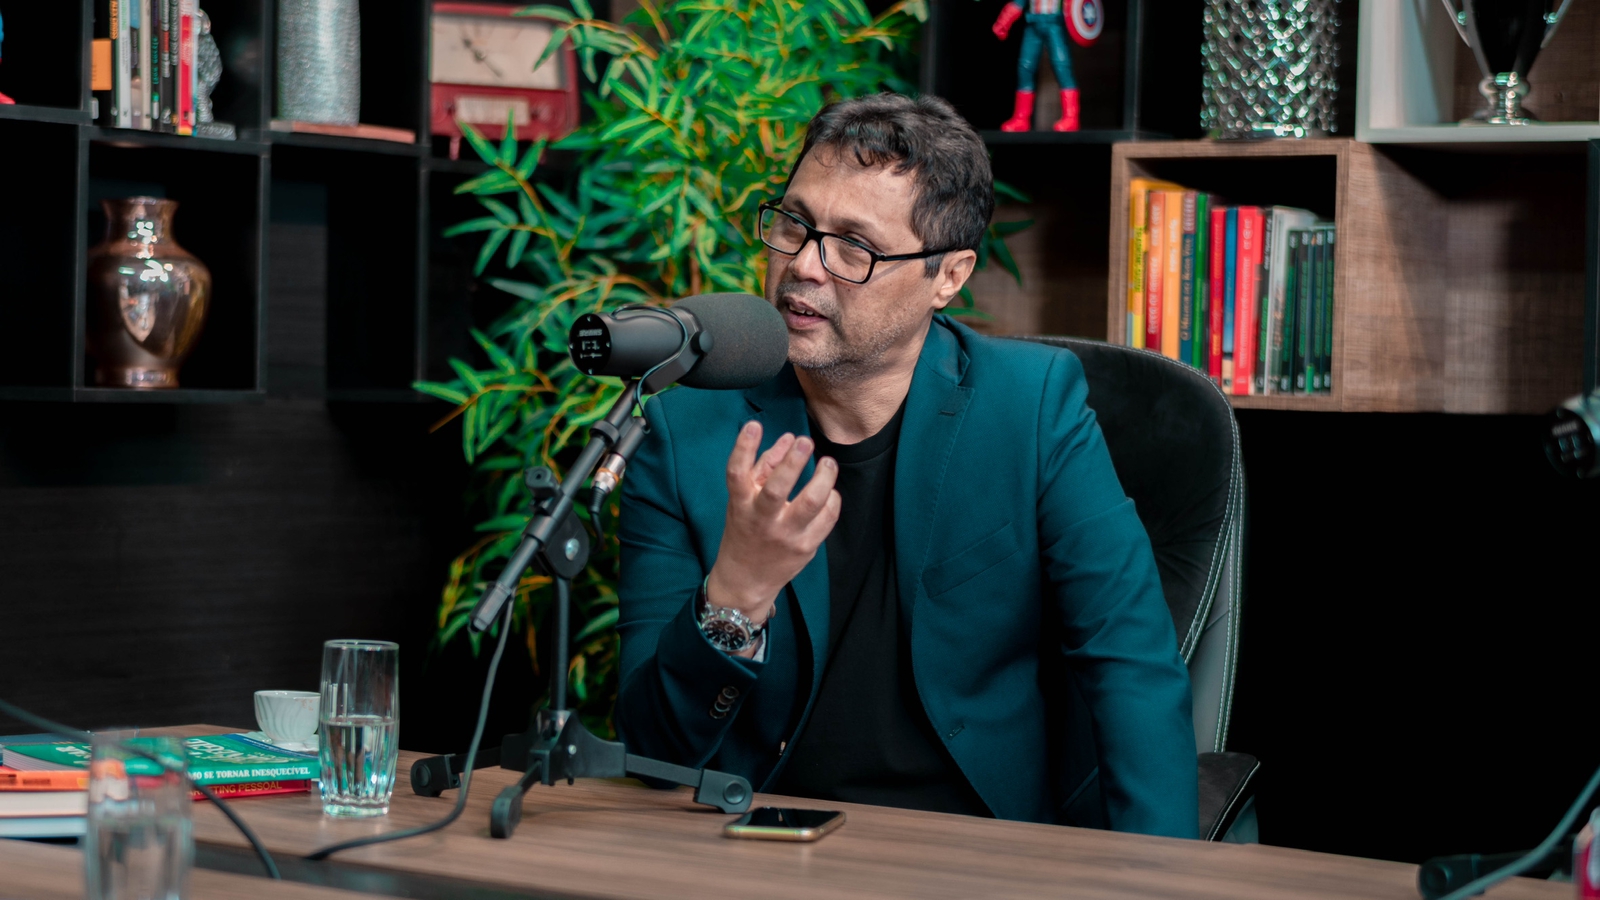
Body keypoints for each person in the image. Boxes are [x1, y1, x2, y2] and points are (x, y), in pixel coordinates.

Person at [615, 92, 1198, 837]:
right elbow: (652, 751)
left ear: (949, 276)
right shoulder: (685, 431)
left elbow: (1129, 664)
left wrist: (1164, 876)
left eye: (854, 247)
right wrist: (737, 593)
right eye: (794, 224)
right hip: (758, 840)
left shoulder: (1031, 408)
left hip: (974, 845)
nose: (804, 266)